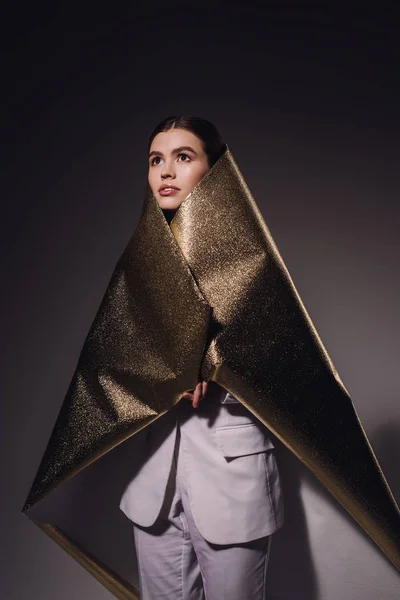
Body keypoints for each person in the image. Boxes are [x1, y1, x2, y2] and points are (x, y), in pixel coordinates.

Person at [119, 116, 284, 600]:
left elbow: (281, 361)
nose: (166, 171)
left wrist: (210, 361)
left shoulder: (254, 258)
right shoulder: (139, 263)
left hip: (231, 475)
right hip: (154, 478)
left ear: (214, 171)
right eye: (156, 160)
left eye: (183, 157)